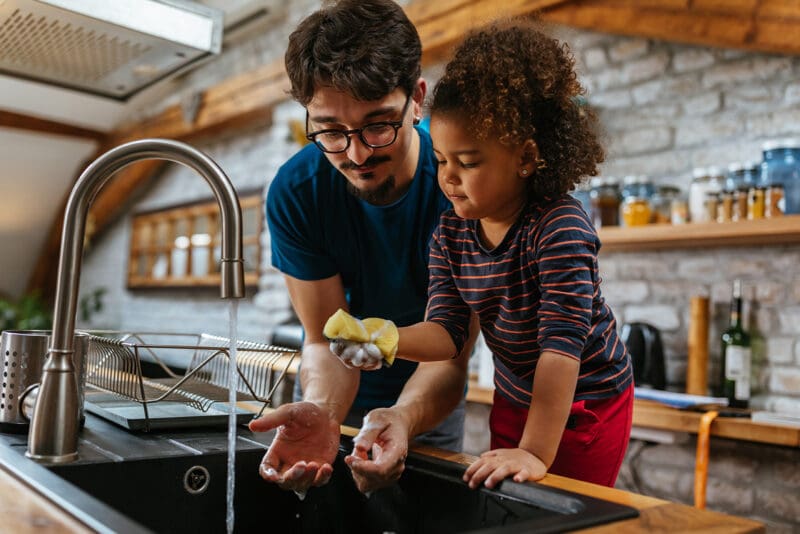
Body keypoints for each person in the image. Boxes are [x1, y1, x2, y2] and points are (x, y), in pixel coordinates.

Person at [330, 19, 634, 489]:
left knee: (571, 511)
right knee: (508, 497)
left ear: (526, 158)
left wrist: (533, 451)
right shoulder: (452, 230)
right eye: (441, 161)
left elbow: (560, 351)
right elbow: (448, 334)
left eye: (467, 163)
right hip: (515, 395)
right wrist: (386, 336)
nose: (448, 178)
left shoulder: (560, 229)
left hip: (583, 402)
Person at [248, 0, 477, 495]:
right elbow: (322, 339)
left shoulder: (462, 190)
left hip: (428, 402)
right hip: (329, 399)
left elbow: (449, 356)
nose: (356, 154)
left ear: (417, 99)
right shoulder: (298, 191)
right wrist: (322, 413)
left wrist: (400, 415)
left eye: (378, 124)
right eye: (330, 130)